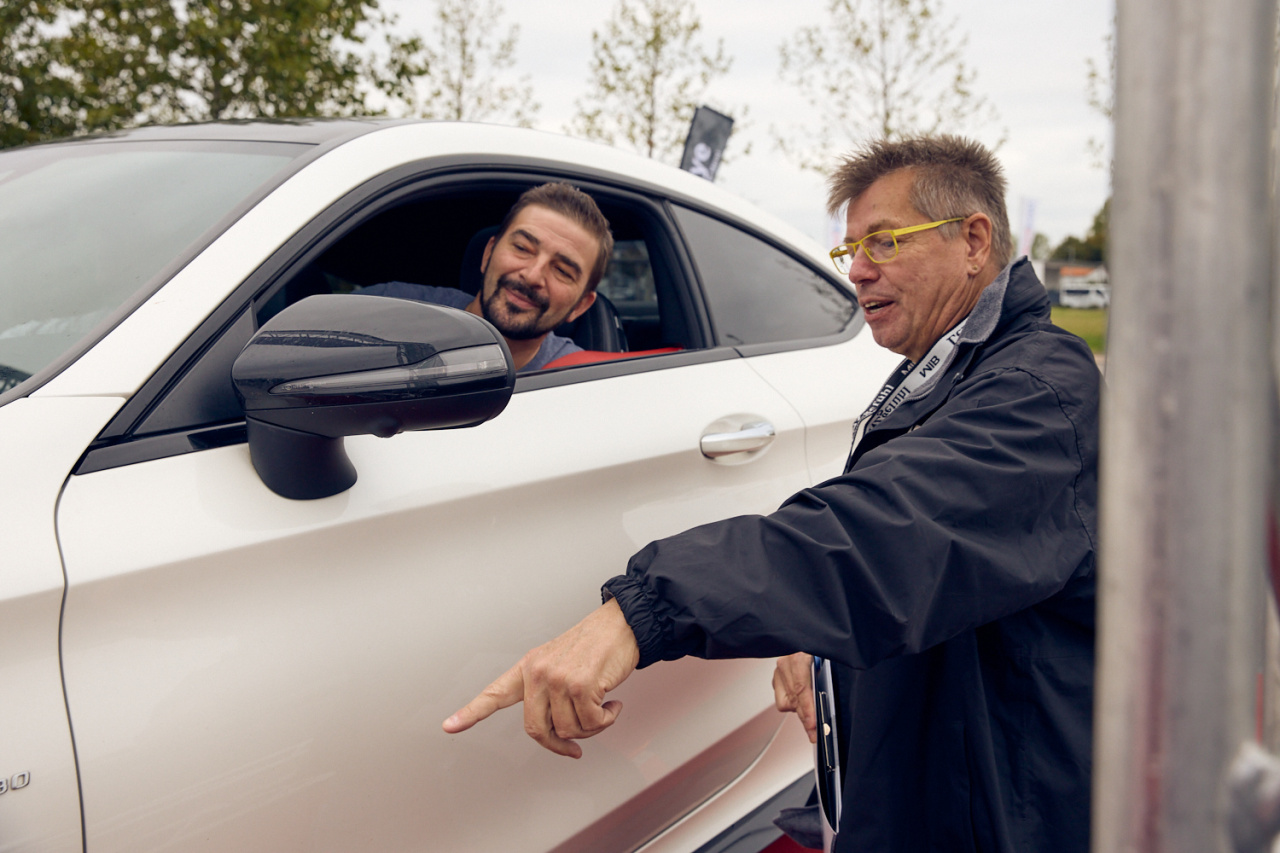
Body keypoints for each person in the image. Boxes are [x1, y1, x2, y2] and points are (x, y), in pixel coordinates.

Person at [442, 136, 1099, 853]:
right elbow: (930, 573)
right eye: (851, 250)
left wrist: (643, 611)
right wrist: (822, 643)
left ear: (973, 241)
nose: (859, 271)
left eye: (883, 242)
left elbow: (887, 535)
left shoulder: (1040, 393)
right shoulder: (945, 373)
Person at [360, 182, 613, 371]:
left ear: (580, 306)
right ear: (488, 253)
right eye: (522, 248)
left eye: (562, 271)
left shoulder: (578, 385)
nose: (532, 275)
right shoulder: (385, 309)